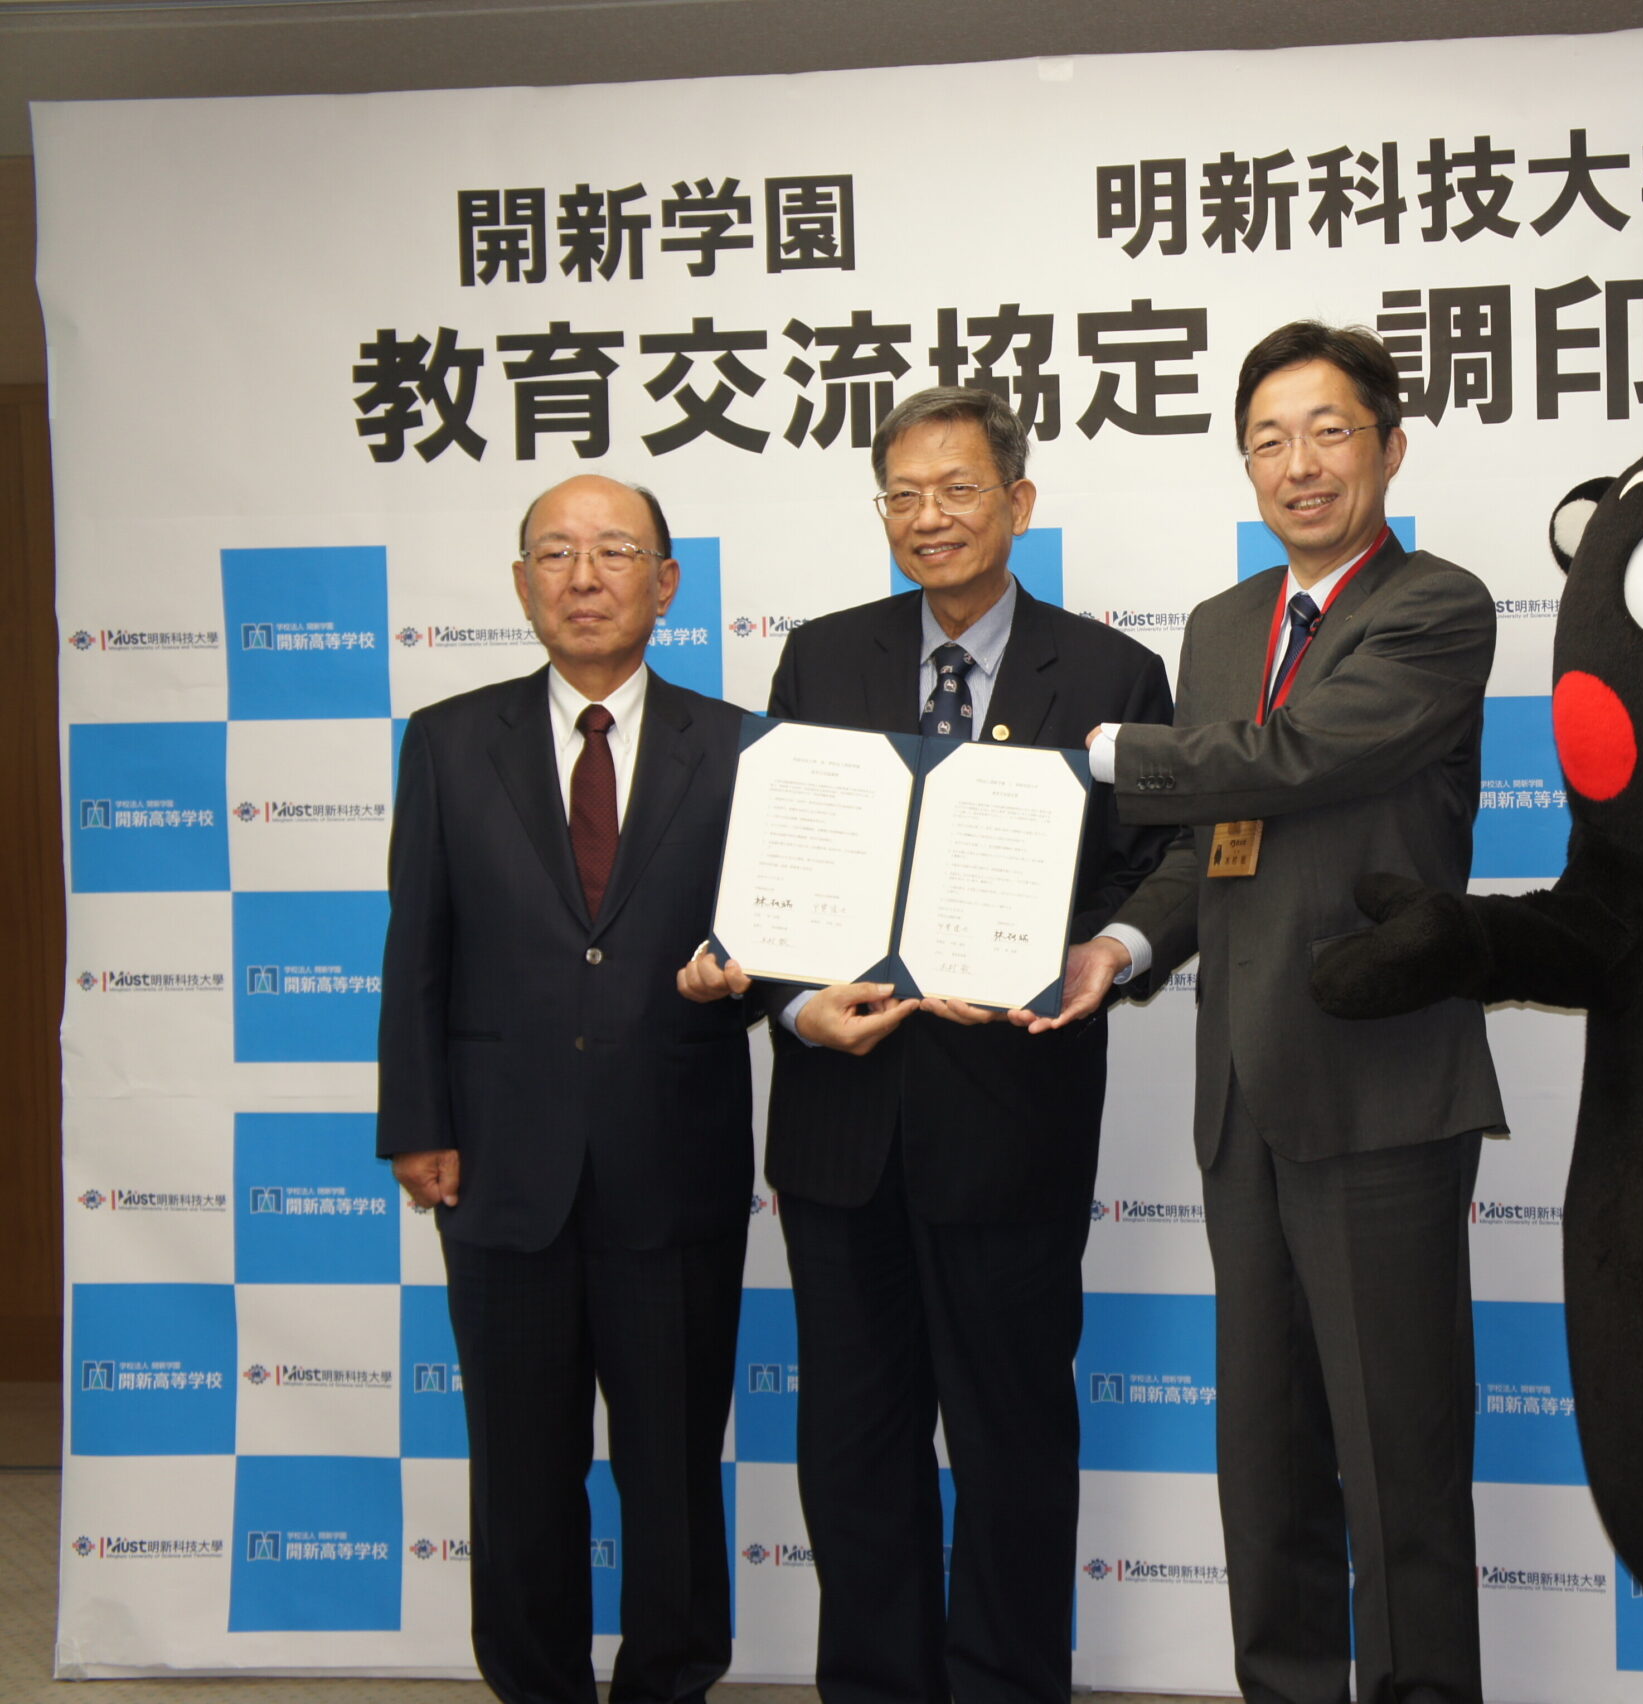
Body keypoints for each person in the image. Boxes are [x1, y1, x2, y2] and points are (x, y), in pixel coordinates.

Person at [679, 387, 1174, 1704]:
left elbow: (1155, 868)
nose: (929, 516)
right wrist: (792, 1003)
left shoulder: (1113, 674)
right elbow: (771, 874)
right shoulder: (818, 660)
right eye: (903, 494)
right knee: (853, 1440)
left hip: (1012, 1117)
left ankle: (1009, 1685)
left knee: (1012, 1441)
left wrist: (1097, 954)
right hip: (840, 1122)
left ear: (1019, 501)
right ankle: (876, 1686)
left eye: (957, 489)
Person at [378, 473, 905, 1704]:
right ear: (521, 584)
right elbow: (419, 949)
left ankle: (669, 1681)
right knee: (521, 1469)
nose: (584, 576)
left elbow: (781, 941)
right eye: (555, 553)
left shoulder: (740, 746)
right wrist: (417, 1124)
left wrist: (760, 985)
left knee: (670, 1468)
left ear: (665, 584)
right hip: (499, 1167)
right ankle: (536, 1684)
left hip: (675, 1164)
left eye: (615, 552)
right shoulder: (449, 741)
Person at [1043, 322, 1505, 1704]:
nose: (1299, 465)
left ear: (1390, 447)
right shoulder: (1224, 625)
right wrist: (1119, 943)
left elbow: (1291, 759)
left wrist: (1115, 754)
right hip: (1241, 1092)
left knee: (1398, 1463)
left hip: (1379, 1089)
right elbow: (1213, 840)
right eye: (1268, 440)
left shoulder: (1437, 606)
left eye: (1329, 431)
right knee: (1268, 1460)